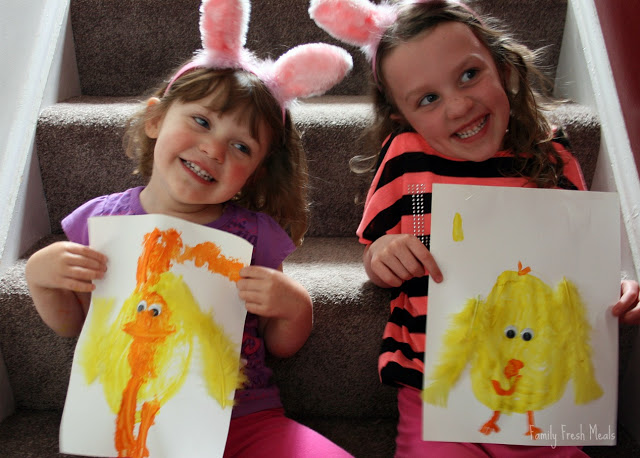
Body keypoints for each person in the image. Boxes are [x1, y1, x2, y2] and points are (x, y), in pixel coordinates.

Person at [310, 0, 640, 456]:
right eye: (428, 99)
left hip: (541, 389)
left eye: (469, 75)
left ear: (502, 68)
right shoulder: (407, 157)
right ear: (401, 116)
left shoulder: (549, 151)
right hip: (437, 387)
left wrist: (614, 284)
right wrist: (384, 255)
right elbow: (376, 250)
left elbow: (577, 255)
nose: (459, 105)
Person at [25, 0, 354, 456]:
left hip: (242, 416)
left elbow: (280, 346)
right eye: (201, 121)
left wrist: (293, 306)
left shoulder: (252, 234)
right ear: (157, 118)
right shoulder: (104, 221)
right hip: (132, 415)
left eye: (240, 146)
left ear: (256, 172)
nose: (213, 150)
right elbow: (74, 324)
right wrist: (41, 277)